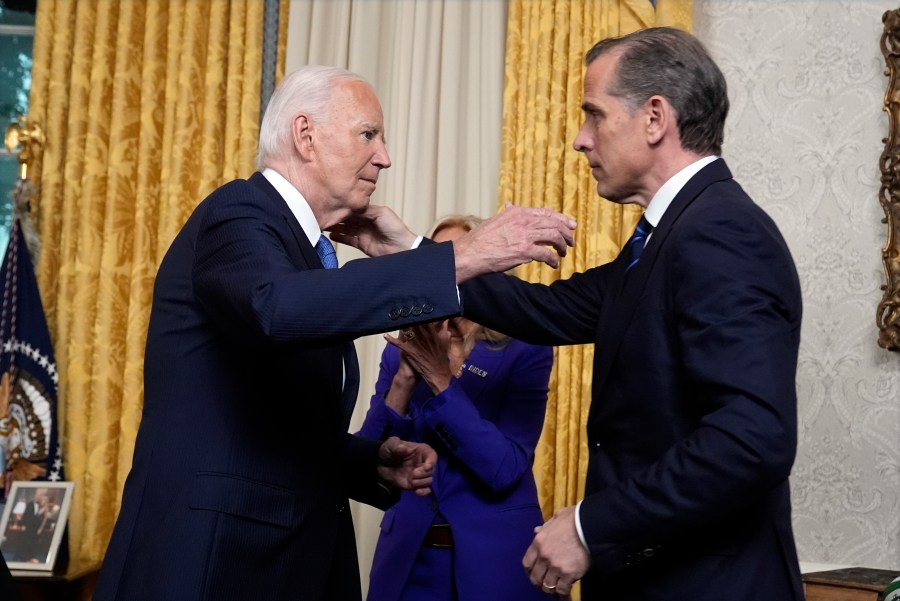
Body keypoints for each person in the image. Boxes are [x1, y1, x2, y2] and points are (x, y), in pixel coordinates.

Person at [341, 27, 805, 601]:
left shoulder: (720, 234)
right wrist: (411, 249)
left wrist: (592, 525)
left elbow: (752, 441)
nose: (580, 140)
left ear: (655, 118)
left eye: (594, 114)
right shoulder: (673, 235)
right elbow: (545, 309)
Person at [92, 65, 575, 601]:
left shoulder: (301, 250)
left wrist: (367, 463)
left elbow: (271, 426)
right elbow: (274, 310)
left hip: (286, 559)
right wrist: (463, 257)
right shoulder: (240, 211)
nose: (385, 157)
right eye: (369, 134)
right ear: (306, 135)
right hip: (216, 561)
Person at [359, 215, 553, 601]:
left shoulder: (526, 348)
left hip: (494, 562)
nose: (445, 275)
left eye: (457, 261)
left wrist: (440, 379)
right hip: (408, 561)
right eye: (436, 264)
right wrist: (403, 381)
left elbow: (504, 468)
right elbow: (366, 460)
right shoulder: (402, 347)